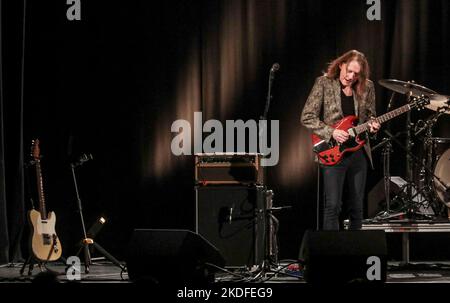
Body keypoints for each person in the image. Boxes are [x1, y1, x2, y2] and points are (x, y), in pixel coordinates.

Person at [301, 50, 380, 230]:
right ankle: (332, 255)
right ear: (341, 65)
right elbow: (307, 116)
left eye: (356, 73)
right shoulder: (324, 83)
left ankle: (354, 253)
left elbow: (370, 117)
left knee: (358, 206)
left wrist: (373, 127)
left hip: (358, 152)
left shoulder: (367, 87)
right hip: (333, 150)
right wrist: (331, 132)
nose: (351, 76)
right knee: (333, 206)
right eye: (349, 71)